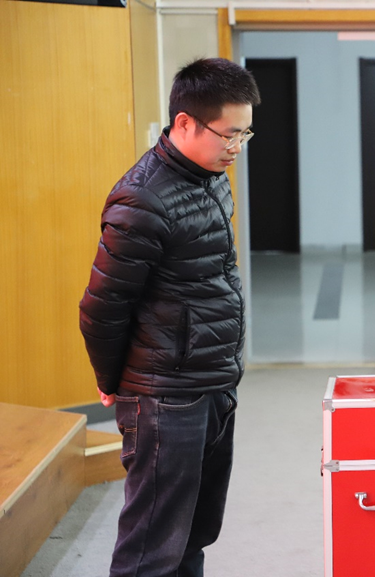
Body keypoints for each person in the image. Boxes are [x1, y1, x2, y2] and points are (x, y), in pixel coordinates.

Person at [79, 57, 260, 577]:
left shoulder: (211, 178)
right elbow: (102, 306)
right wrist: (111, 379)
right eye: (229, 134)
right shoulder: (142, 198)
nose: (237, 147)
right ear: (184, 123)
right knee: (151, 550)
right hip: (164, 395)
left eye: (245, 134)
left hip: (211, 382)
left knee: (193, 534)